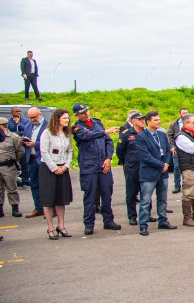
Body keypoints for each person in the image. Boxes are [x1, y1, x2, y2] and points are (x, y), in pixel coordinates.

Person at [72, 102, 120, 235]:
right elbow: (87, 136)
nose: (86, 113)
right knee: (90, 196)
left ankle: (108, 220)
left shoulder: (97, 123)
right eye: (83, 112)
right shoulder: (77, 127)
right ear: (77, 115)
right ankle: (88, 223)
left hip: (103, 164)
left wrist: (109, 158)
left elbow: (108, 141)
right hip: (89, 166)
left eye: (87, 111)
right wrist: (105, 131)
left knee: (107, 193)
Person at [134, 111, 176, 236]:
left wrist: (166, 164)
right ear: (148, 122)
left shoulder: (162, 135)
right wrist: (161, 165)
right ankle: (143, 225)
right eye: (156, 120)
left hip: (163, 172)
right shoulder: (141, 137)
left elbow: (168, 150)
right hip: (149, 173)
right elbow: (145, 156)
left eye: (159, 119)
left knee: (162, 198)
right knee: (145, 200)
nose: (159, 122)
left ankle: (163, 220)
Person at [39, 109, 74, 240]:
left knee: (61, 198)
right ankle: (50, 228)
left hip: (63, 167)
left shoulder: (66, 133)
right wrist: (54, 168)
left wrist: (66, 166)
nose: (67, 120)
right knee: (49, 200)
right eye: (65, 118)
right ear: (57, 119)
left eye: (68, 118)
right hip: (49, 169)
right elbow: (44, 152)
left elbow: (70, 151)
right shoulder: (47, 133)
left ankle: (61, 226)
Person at [116, 111, 152, 226]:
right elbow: (120, 152)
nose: (142, 121)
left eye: (143, 119)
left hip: (145, 167)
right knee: (131, 193)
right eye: (140, 119)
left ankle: (147, 214)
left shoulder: (147, 133)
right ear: (133, 121)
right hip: (132, 168)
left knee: (146, 192)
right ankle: (132, 216)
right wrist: (127, 162)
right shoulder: (126, 134)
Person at [22, 107, 48, 217]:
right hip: (31, 158)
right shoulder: (28, 125)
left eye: (34, 117)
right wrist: (24, 141)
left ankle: (51, 208)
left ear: (40, 114)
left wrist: (35, 144)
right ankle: (39, 208)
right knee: (34, 184)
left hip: (43, 159)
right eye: (30, 117)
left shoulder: (48, 125)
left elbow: (50, 143)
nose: (32, 120)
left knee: (46, 185)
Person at [0, 117, 24, 218]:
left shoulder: (13, 137)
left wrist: (14, 160)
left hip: (8, 166)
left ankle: (15, 208)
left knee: (12, 188)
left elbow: (20, 151)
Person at [9, 106, 32, 189]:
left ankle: (25, 182)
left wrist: (19, 124)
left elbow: (26, 131)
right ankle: (11, 183)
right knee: (11, 164)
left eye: (19, 111)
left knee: (24, 164)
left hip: (23, 146)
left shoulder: (25, 121)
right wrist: (18, 133)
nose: (18, 113)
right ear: (11, 113)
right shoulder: (8, 122)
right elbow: (8, 132)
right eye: (16, 111)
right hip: (11, 147)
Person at [167, 108, 188, 194]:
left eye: (187, 112)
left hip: (187, 149)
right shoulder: (174, 124)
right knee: (176, 167)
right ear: (180, 114)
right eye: (183, 113)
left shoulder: (190, 122)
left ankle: (186, 185)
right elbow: (170, 135)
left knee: (187, 168)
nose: (185, 114)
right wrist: (172, 146)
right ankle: (177, 185)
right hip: (177, 149)